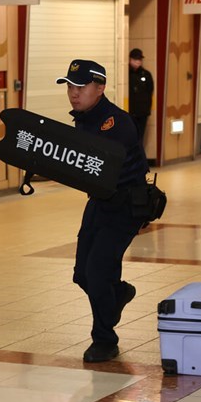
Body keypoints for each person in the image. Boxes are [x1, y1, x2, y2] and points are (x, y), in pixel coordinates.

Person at [55, 59, 149, 363]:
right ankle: (118, 294)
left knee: (97, 273)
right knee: (82, 274)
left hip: (125, 206)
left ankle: (105, 340)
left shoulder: (115, 122)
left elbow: (97, 160)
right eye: (69, 86)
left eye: (80, 87)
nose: (73, 93)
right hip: (99, 203)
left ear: (100, 87)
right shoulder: (84, 117)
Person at [128, 48, 154, 144]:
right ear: (130, 59)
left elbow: (150, 91)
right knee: (129, 137)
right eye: (135, 59)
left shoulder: (146, 74)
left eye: (139, 59)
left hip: (142, 112)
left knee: (140, 137)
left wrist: (147, 109)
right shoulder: (126, 74)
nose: (138, 62)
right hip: (130, 112)